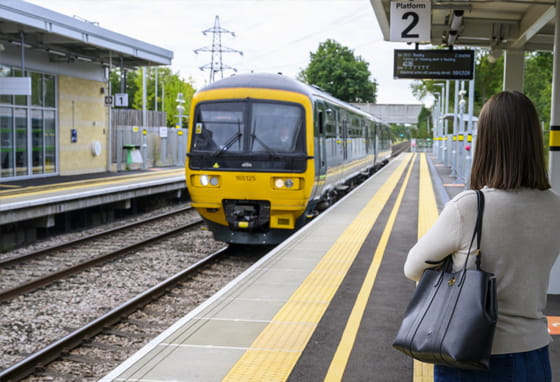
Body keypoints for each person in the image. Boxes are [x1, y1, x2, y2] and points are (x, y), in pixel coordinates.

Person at [404, 91, 560, 382]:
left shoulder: (470, 206)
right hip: (535, 356)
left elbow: (412, 267)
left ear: (486, 141)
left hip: (472, 354)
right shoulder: (554, 206)